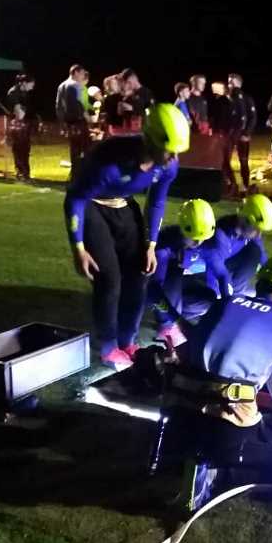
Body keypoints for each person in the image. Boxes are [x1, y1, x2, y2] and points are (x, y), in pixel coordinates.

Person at [168, 253, 272, 510]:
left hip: (178, 417)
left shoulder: (225, 304)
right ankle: (215, 475)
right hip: (226, 428)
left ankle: (187, 457)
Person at [64, 104, 187, 369]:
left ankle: (127, 340)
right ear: (150, 140)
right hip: (92, 206)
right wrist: (79, 248)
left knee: (140, 273)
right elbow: (75, 198)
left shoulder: (168, 165)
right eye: (168, 149)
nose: (173, 157)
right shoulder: (109, 163)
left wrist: (151, 244)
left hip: (123, 203)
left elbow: (156, 201)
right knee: (109, 280)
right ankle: (108, 347)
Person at [148, 199, 218, 348]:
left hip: (177, 282)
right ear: (182, 230)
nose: (198, 243)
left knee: (209, 298)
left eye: (202, 239)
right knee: (174, 277)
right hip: (152, 289)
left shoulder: (200, 239)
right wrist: (176, 320)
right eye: (194, 239)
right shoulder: (163, 249)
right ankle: (165, 324)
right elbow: (153, 291)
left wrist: (224, 304)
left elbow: (218, 270)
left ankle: (174, 313)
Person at [203, 194, 272, 299]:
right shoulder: (221, 235)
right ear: (245, 220)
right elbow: (214, 269)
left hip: (224, 264)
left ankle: (236, 294)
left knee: (255, 251)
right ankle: (230, 297)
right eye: (256, 229)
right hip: (204, 270)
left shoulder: (249, 231)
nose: (259, 234)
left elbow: (263, 257)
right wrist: (215, 297)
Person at [221, 74, 257, 195]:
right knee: (225, 160)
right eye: (229, 82)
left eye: (232, 82)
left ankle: (245, 186)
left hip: (242, 135)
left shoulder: (246, 98)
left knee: (243, 161)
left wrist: (247, 133)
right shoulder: (226, 99)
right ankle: (231, 184)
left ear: (239, 84)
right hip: (229, 135)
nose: (229, 84)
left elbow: (252, 117)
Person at [56, 64, 91, 171]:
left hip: (69, 122)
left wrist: (62, 122)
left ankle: (75, 172)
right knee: (84, 148)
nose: (83, 76)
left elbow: (58, 105)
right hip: (78, 121)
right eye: (82, 73)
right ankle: (82, 172)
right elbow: (78, 103)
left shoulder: (61, 85)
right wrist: (86, 116)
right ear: (75, 72)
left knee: (74, 149)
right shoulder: (75, 85)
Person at [6, 74, 37, 181]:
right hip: (17, 126)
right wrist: (23, 111)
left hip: (24, 125)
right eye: (31, 84)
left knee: (25, 149)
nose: (32, 87)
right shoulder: (14, 93)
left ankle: (25, 172)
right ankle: (21, 172)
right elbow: (19, 114)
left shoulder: (24, 93)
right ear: (24, 83)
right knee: (19, 149)